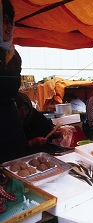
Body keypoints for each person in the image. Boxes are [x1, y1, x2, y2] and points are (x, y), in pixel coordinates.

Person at [0, 0, 28, 163]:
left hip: (11, 119)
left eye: (11, 21)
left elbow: (12, 91)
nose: (9, 27)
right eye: (3, 21)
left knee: (17, 166)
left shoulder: (14, 56)